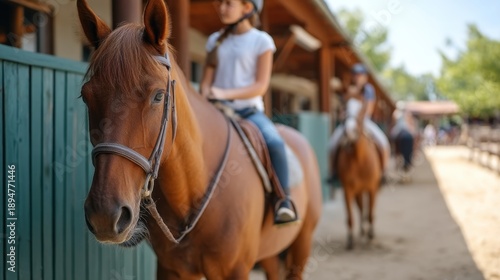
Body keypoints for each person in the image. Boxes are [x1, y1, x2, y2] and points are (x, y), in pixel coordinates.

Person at [200, 0, 297, 224]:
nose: (222, 8)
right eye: (221, 3)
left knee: (274, 143)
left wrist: (223, 93)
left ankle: (284, 200)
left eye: (228, 3)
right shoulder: (214, 40)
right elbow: (206, 82)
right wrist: (207, 95)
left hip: (249, 113)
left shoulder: (262, 41)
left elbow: (260, 86)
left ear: (247, 8)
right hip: (216, 113)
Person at [328, 63, 391, 177]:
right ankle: (333, 172)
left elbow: (369, 109)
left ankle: (383, 171)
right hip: (348, 122)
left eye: (360, 74)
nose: (357, 77)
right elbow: (343, 105)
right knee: (332, 143)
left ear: (364, 76)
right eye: (355, 74)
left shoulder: (368, 90)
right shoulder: (348, 89)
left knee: (383, 142)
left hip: (364, 122)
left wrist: (359, 120)